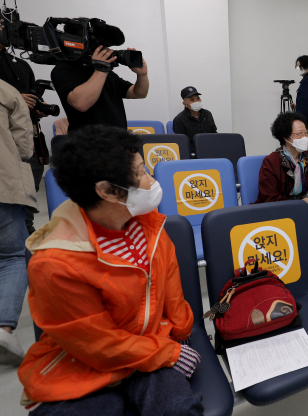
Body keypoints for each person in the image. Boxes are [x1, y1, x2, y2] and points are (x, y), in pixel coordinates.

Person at [18, 126, 204, 415]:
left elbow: (170, 285)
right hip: (81, 366)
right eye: (142, 172)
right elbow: (95, 342)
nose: (152, 179)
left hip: (150, 346)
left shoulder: (149, 225)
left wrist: (181, 331)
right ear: (106, 190)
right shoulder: (55, 262)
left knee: (180, 409)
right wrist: (167, 352)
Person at [0, 79, 37, 365]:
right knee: (12, 256)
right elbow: (25, 148)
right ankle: (4, 329)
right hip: (3, 186)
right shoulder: (6, 91)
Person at [0, 29, 46, 234]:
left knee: (27, 210)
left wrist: (37, 106)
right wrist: (16, 98)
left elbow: (32, 96)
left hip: (30, 143)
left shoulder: (22, 65)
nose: (3, 29)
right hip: (4, 145)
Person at [51, 41, 149, 132]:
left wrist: (142, 75)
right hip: (86, 145)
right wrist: (101, 69)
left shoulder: (107, 73)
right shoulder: (64, 69)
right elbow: (81, 103)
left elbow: (138, 93)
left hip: (117, 142)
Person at [254, 111, 308, 219]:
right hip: (277, 211)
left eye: (306, 133)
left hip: (305, 207)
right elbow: (270, 197)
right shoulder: (271, 161)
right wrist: (300, 207)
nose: (305, 138)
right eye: (299, 134)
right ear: (286, 137)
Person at [172, 86, 217, 153]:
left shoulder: (207, 114)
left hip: (210, 150)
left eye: (198, 98)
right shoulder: (179, 119)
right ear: (185, 104)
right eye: (192, 100)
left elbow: (214, 135)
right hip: (192, 154)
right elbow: (182, 143)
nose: (196, 102)